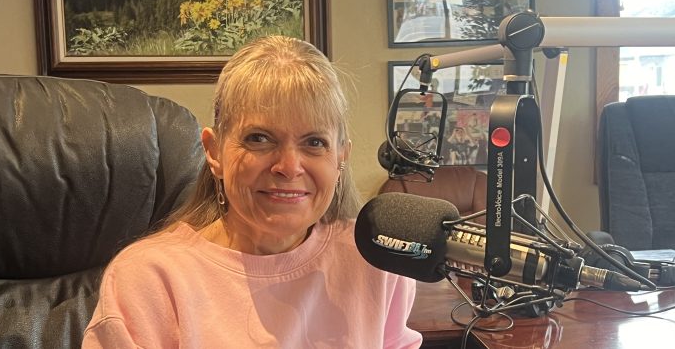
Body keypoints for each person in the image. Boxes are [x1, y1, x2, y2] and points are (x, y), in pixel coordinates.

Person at [82, 36, 423, 348]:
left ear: (340, 157)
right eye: (259, 138)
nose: (289, 166)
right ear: (214, 152)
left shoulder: (377, 264)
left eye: (314, 142)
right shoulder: (148, 280)